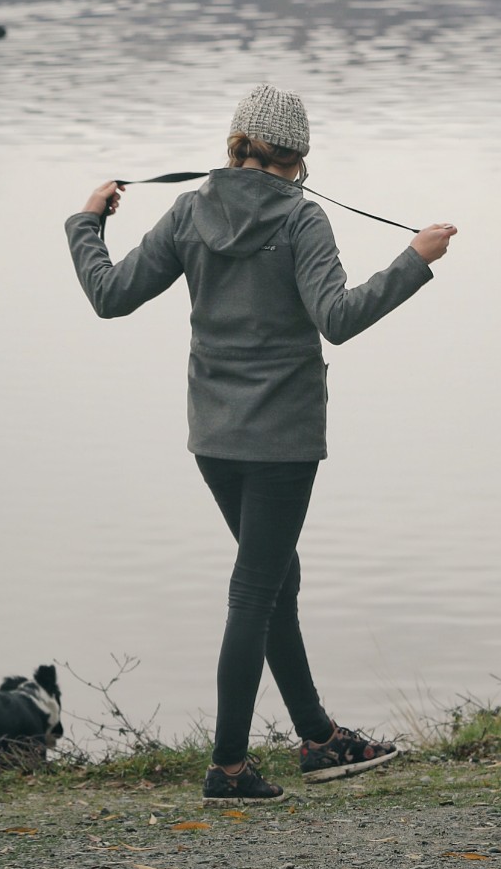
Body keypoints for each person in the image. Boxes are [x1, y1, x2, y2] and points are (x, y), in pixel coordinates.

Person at [66, 82, 455, 802]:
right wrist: (415, 260)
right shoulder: (301, 220)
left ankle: (317, 738)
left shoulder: (188, 209)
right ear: (297, 156)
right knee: (255, 589)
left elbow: (109, 295)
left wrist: (86, 223)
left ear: (236, 147)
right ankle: (229, 767)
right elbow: (336, 317)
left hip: (213, 435)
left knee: (276, 579)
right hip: (281, 438)